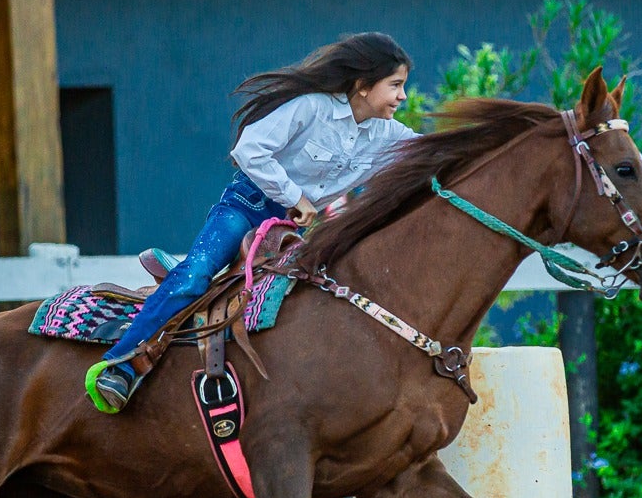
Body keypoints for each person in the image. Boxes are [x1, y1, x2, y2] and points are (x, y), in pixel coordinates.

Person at [89, 32, 418, 412]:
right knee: (197, 275)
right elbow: (249, 149)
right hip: (247, 207)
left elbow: (429, 157)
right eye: (395, 85)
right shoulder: (311, 108)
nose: (402, 97)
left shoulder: (388, 136)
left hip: (292, 233)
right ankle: (121, 365)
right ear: (363, 85)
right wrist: (295, 197)